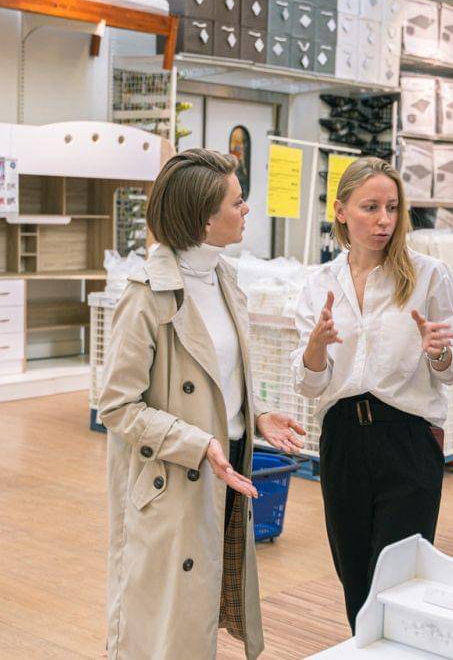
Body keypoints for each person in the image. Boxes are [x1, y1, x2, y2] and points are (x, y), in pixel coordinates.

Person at [99, 149, 306, 659]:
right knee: (164, 628)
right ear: (204, 219)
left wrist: (254, 414)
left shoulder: (225, 280)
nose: (247, 209)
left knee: (202, 611)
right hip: (172, 479)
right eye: (237, 201)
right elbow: (117, 406)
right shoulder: (146, 296)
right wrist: (196, 441)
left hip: (226, 467)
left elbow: (217, 374)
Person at [291, 157, 453, 631]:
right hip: (342, 440)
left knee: (400, 584)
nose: (384, 219)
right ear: (341, 211)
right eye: (370, 207)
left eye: (392, 207)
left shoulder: (429, 275)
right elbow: (309, 386)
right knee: (355, 581)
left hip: (407, 439)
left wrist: (439, 352)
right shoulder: (319, 285)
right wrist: (314, 349)